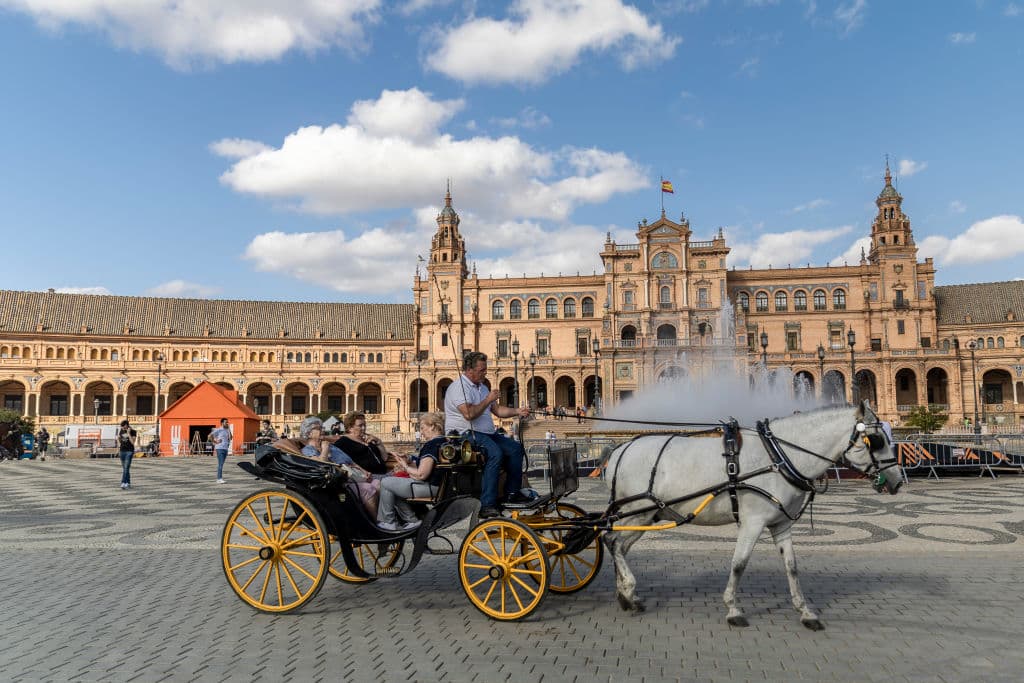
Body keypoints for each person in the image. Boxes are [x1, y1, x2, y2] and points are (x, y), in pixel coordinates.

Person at [444, 351, 531, 519]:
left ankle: (511, 493)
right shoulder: (458, 388)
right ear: (469, 370)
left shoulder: (482, 388)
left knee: (515, 449)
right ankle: (487, 504)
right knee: (495, 453)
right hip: (464, 435)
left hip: (486, 433)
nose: (485, 373)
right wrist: (488, 399)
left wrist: (517, 411)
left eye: (485, 369)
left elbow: (497, 410)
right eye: (482, 370)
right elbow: (469, 414)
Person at [299, 416, 380, 517]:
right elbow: (321, 466)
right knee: (368, 489)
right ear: (309, 433)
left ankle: (387, 520)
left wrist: (364, 471)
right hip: (338, 484)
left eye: (322, 427)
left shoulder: (331, 446)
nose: (322, 430)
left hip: (353, 475)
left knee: (378, 484)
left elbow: (350, 461)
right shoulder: (308, 450)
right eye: (318, 428)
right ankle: (378, 523)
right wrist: (325, 449)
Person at [377, 412, 446, 531]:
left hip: (430, 488)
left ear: (433, 426)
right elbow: (425, 464)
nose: (422, 432)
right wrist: (408, 459)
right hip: (440, 486)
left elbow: (421, 474)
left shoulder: (431, 445)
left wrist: (405, 466)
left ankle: (388, 522)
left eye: (423, 428)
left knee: (385, 482)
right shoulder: (444, 441)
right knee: (394, 489)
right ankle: (412, 521)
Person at [337, 411, 392, 477]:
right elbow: (339, 462)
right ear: (350, 428)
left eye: (364, 425)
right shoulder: (343, 442)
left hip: (384, 474)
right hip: (369, 478)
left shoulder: (368, 439)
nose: (364, 428)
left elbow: (385, 458)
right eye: (360, 426)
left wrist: (378, 442)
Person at [116, 420, 138, 490]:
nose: (122, 427)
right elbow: (119, 440)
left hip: (129, 451)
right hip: (122, 450)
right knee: (125, 468)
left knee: (126, 467)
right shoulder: (121, 431)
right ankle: (128, 483)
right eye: (121, 426)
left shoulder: (133, 432)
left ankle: (123, 482)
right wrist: (119, 441)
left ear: (127, 425)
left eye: (123, 426)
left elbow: (132, 442)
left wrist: (128, 433)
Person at [210, 418, 232, 484]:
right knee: (221, 464)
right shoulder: (219, 430)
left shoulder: (226, 430)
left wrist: (229, 429)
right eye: (226, 422)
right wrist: (214, 441)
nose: (227, 423)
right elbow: (209, 435)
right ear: (222, 423)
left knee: (221, 463)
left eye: (227, 422)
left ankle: (219, 478)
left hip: (225, 448)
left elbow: (231, 438)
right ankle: (219, 479)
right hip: (219, 448)